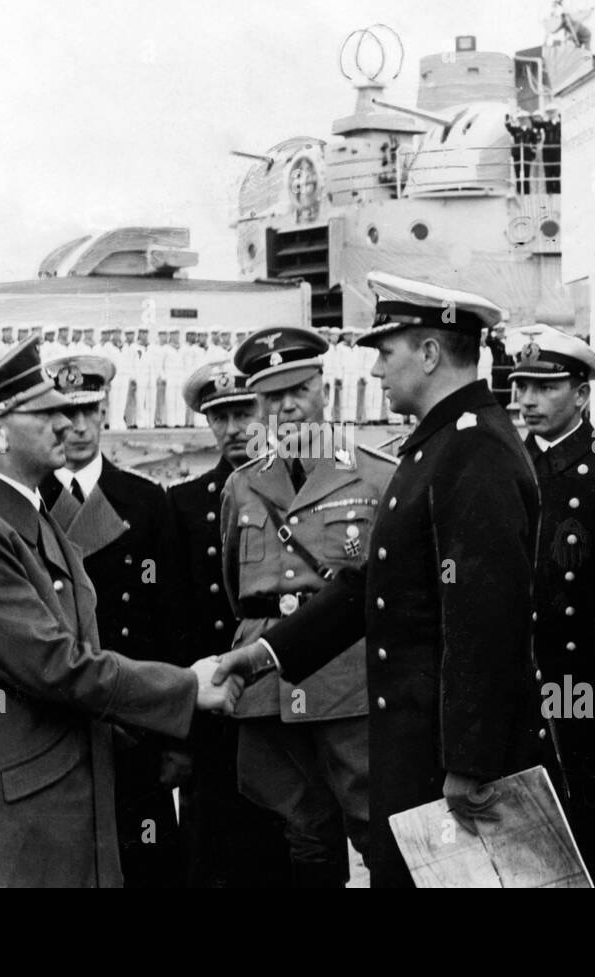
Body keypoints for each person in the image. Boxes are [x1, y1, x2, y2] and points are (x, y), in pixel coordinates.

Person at [214, 273, 551, 888]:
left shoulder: (474, 453)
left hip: (443, 757)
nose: (374, 373)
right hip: (415, 741)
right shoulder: (441, 446)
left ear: (428, 354)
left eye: (385, 353)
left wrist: (469, 763)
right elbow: (376, 581)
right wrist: (265, 653)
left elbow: (486, 622)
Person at [0, 337, 241, 887]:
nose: (66, 426)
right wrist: (185, 688)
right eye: (46, 413)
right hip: (12, 824)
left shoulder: (25, 516)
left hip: (56, 802)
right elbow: (54, 664)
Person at [216, 325, 395, 888]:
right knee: (301, 831)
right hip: (267, 687)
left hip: (346, 681)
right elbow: (234, 587)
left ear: (326, 391)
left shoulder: (376, 474)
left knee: (376, 824)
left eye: (298, 390)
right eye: (272, 397)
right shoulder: (242, 486)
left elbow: (385, 589)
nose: (287, 407)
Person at [37, 352, 188, 887]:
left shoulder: (146, 501)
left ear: (105, 413)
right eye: (65, 413)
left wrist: (177, 735)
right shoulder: (30, 506)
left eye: (89, 411)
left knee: (145, 865)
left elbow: (171, 619)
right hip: (61, 721)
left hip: (136, 721)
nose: (77, 427)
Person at [509, 325, 595, 887]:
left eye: (546, 387)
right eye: (521, 387)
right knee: (525, 817)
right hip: (519, 672)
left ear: (582, 394)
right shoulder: (505, 466)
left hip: (590, 673)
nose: (527, 401)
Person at [169, 360, 292, 888]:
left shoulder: (301, 489)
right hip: (217, 709)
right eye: (220, 417)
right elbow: (176, 619)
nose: (234, 429)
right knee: (215, 853)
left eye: (244, 412)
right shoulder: (181, 505)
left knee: (294, 850)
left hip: (289, 700)